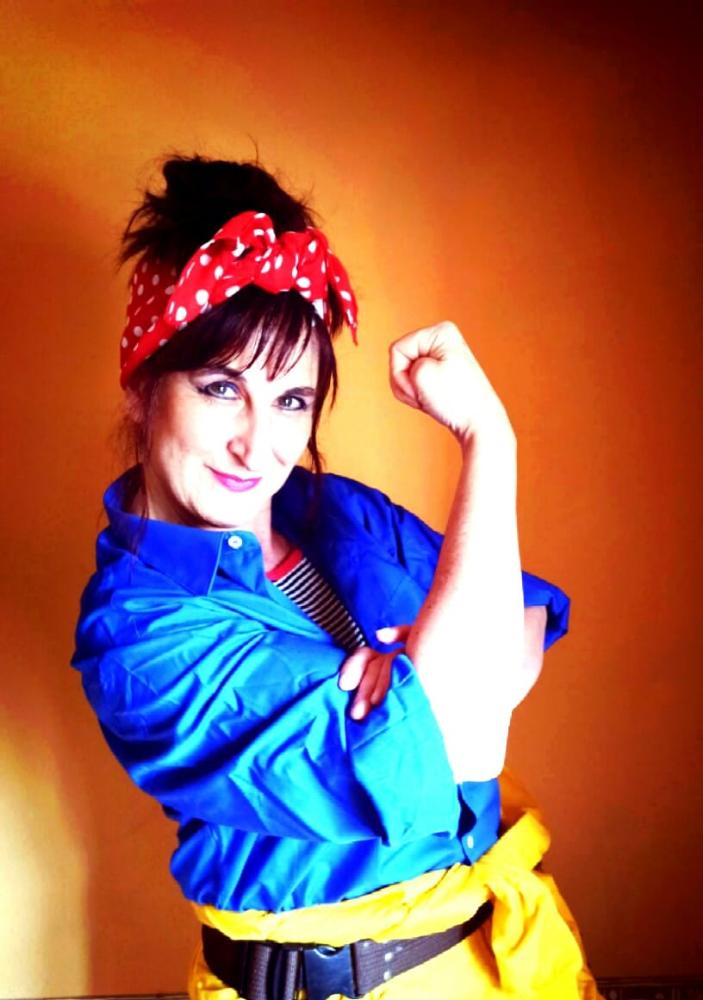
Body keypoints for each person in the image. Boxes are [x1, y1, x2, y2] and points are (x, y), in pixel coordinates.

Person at [72, 155, 601, 1000]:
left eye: (291, 400)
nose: (258, 445)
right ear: (142, 385)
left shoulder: (334, 511)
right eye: (220, 387)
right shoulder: (138, 638)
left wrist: (433, 684)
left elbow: (514, 642)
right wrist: (488, 440)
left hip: (504, 960)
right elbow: (464, 737)